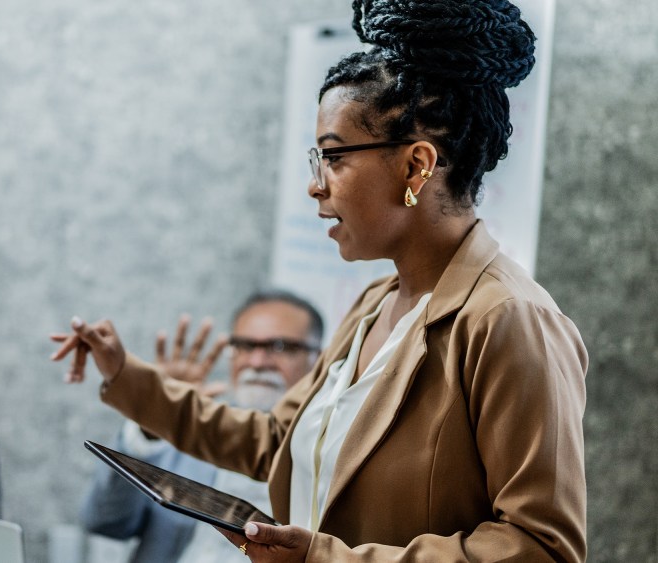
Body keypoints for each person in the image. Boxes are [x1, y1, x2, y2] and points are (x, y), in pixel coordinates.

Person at [51, 1, 589, 560]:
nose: (316, 185)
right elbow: (275, 442)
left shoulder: (510, 321)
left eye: (333, 158)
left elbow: (541, 547)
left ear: (415, 167)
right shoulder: (374, 305)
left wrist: (325, 559)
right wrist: (127, 374)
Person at [80, 290, 324, 562]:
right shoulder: (191, 431)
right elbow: (104, 522)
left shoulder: (329, 450)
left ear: (320, 360)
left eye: (280, 347)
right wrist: (155, 420)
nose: (256, 362)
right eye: (244, 346)